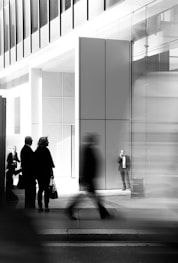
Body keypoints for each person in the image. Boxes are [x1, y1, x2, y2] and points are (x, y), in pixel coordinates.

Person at [66, 133, 110, 220]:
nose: (96, 141)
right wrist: (85, 178)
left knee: (92, 196)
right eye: (94, 139)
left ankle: (103, 213)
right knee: (93, 196)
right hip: (88, 178)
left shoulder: (88, 149)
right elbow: (87, 165)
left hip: (88, 178)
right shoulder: (88, 150)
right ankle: (70, 209)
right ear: (91, 140)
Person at [34, 137, 55, 212]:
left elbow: (35, 163)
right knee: (46, 189)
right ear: (44, 142)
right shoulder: (46, 150)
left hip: (39, 174)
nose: (48, 142)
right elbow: (50, 163)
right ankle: (46, 205)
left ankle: (40, 205)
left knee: (40, 189)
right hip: (46, 173)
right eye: (47, 141)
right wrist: (52, 173)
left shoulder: (37, 151)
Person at [20, 136, 36, 209]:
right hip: (29, 174)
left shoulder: (24, 149)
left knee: (28, 191)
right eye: (31, 140)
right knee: (31, 191)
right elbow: (31, 162)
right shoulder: (27, 149)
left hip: (27, 174)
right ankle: (30, 206)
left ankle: (28, 205)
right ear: (29, 141)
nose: (32, 142)